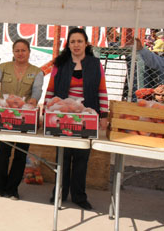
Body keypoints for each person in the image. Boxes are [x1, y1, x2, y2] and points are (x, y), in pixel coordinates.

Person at [44, 27, 108, 210]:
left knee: (82, 156)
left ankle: (79, 196)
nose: (76, 45)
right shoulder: (60, 64)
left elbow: (102, 91)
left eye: (79, 41)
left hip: (87, 117)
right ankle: (59, 193)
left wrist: (103, 115)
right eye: (72, 41)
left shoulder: (95, 64)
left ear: (86, 43)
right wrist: (46, 110)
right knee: (63, 155)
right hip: (62, 114)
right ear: (68, 44)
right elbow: (50, 89)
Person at [0, 39, 43, 200]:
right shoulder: (4, 68)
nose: (20, 53)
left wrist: (33, 101)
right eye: (17, 50)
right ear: (13, 52)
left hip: (25, 118)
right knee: (3, 153)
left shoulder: (37, 72)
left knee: (20, 154)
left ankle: (12, 189)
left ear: (29, 52)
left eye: (23, 50)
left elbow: (37, 90)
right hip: (5, 116)